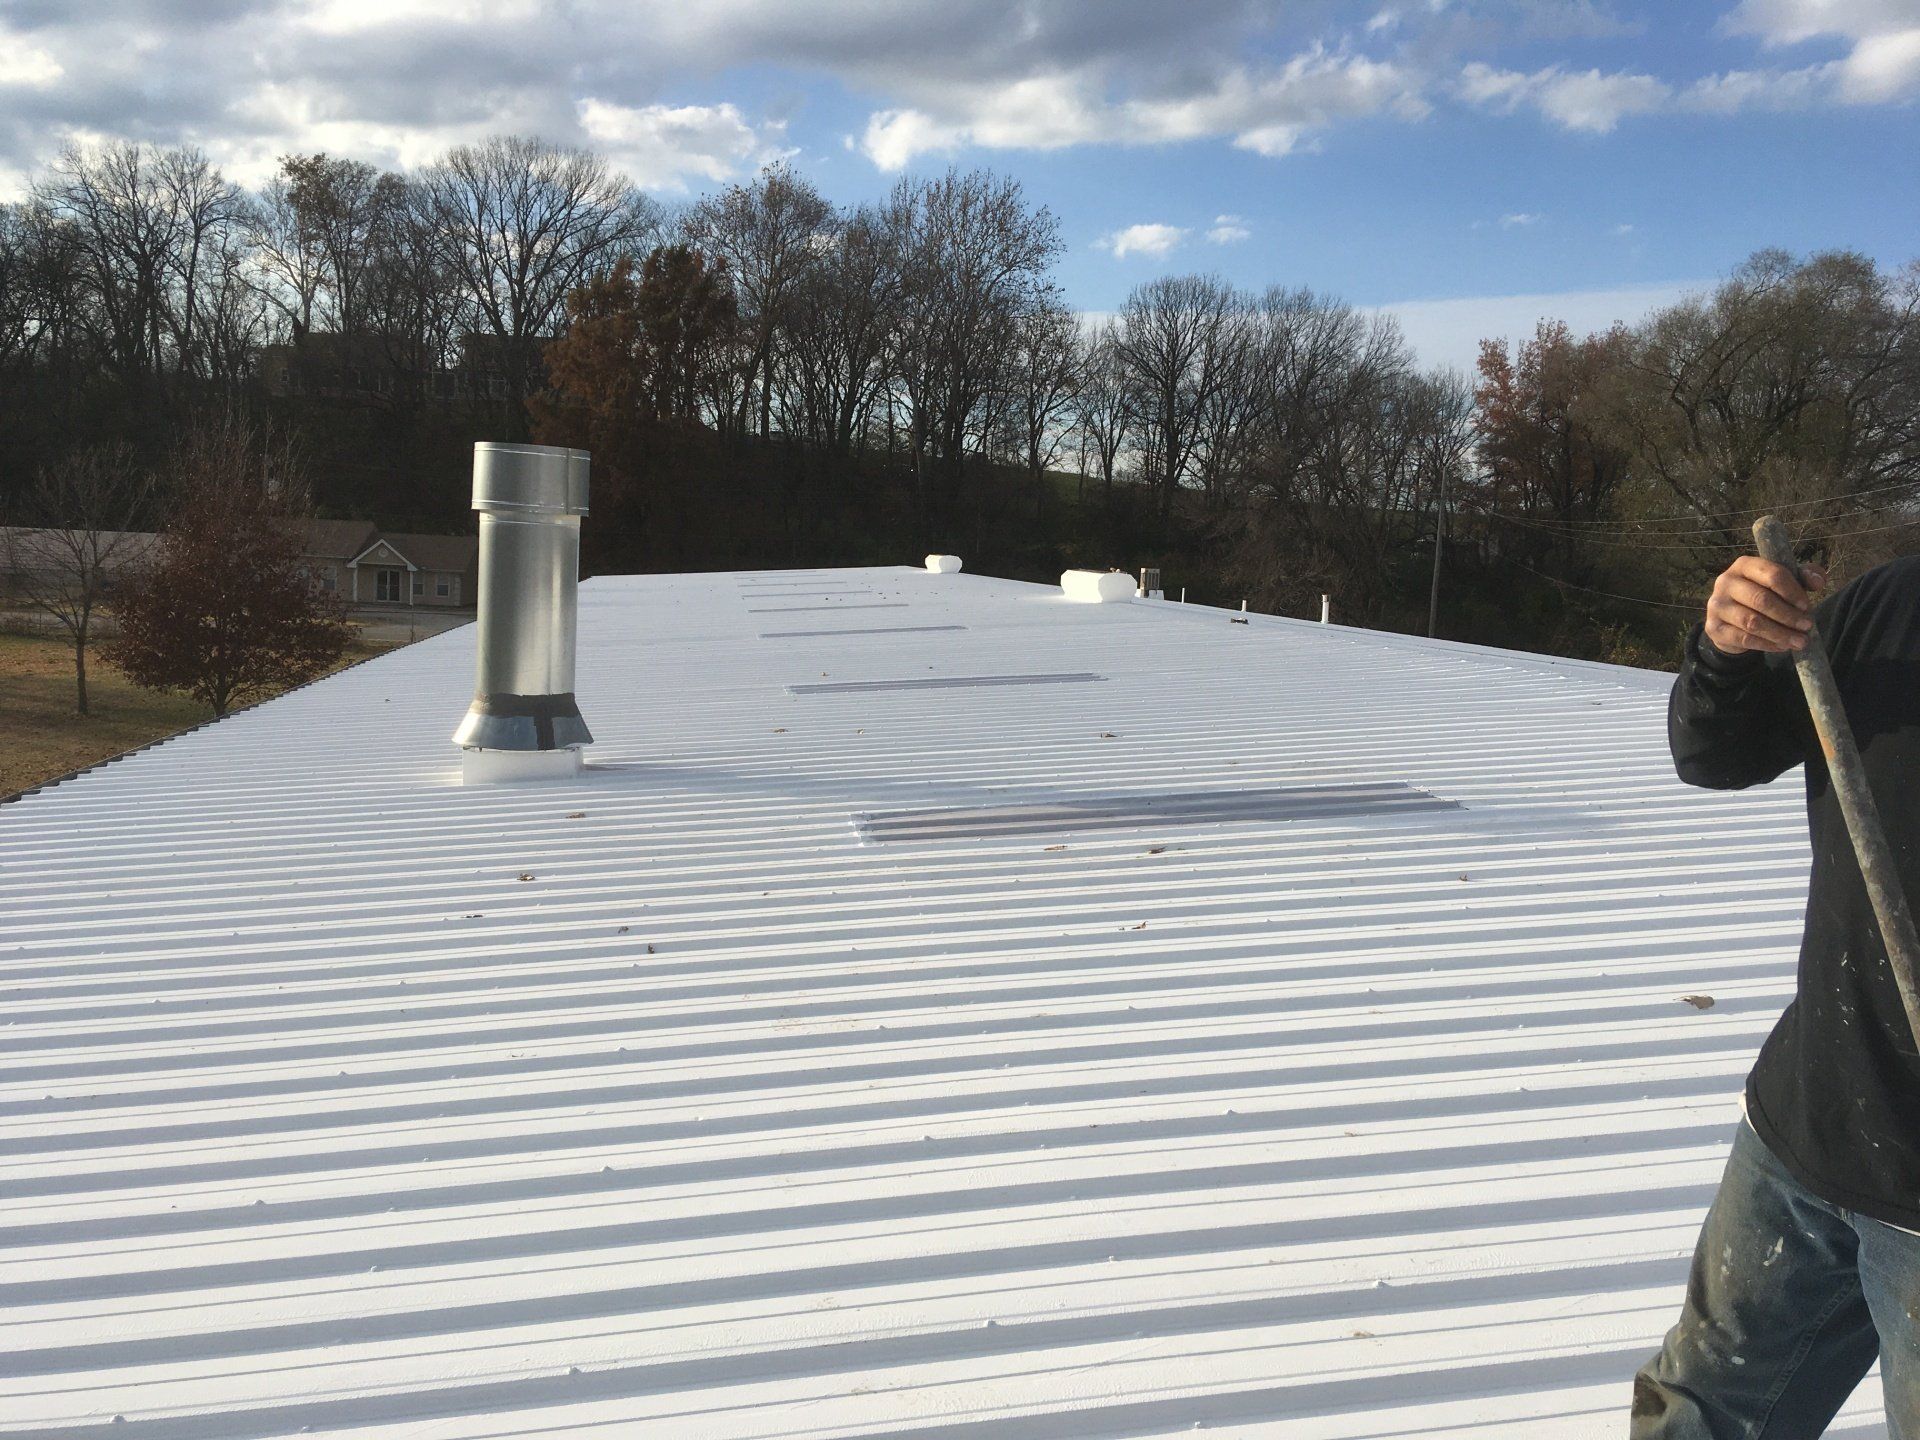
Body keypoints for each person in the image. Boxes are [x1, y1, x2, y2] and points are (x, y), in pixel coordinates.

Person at [1632, 547, 1920, 1438]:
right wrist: (1727, 647)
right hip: (1803, 1132)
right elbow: (1712, 751)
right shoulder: (1891, 607)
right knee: (1698, 1420)